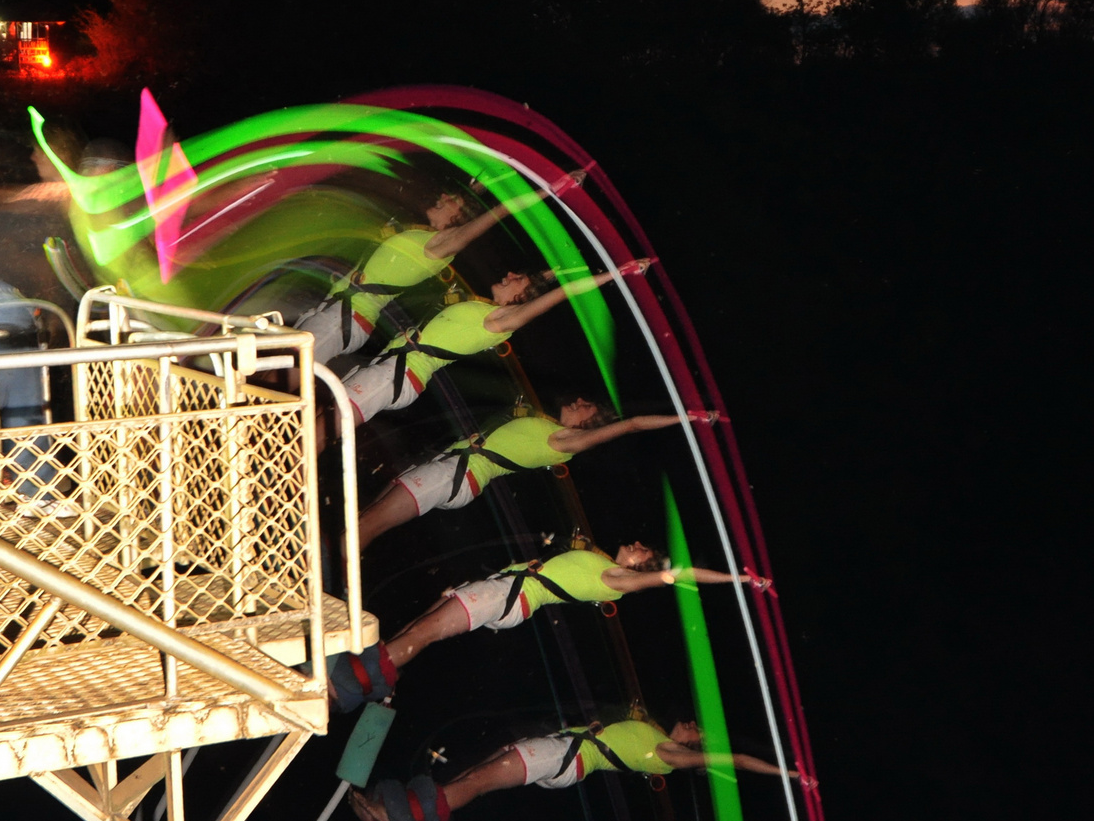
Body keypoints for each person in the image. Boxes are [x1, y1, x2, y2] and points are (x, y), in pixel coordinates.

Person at [328, 540, 770, 711]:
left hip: (509, 596)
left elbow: (681, 576)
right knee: (416, 630)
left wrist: (741, 578)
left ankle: (347, 686)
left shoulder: (619, 580)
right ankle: (352, 677)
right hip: (505, 590)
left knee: (420, 635)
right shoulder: (600, 564)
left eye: (642, 551)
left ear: (643, 568)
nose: (636, 544)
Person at [350, 718, 811, 821]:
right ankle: (395, 820)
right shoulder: (650, 735)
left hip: (562, 757)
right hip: (561, 752)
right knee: (476, 776)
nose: (690, 724)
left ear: (691, 746)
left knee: (478, 781)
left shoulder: (667, 754)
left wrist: (785, 772)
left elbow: (736, 759)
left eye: (695, 730)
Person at [298, 172, 585, 365]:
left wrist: (551, 189)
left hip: (346, 317)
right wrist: (487, 180)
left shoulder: (442, 245)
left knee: (283, 366)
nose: (443, 199)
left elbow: (498, 212)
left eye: (452, 202)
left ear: (458, 220)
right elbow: (467, 201)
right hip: (337, 309)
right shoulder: (425, 235)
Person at [333, 256, 653, 429]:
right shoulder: (489, 310)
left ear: (519, 300)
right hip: (390, 369)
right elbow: (547, 286)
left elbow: (557, 297)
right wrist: (558, 269)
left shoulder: (501, 321)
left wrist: (616, 274)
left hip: (397, 375)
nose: (510, 272)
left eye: (517, 280)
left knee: (329, 420)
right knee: (327, 413)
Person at [357, 400, 719, 549]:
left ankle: (324, 566)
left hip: (456, 475)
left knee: (370, 524)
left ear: (591, 424)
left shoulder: (567, 442)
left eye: (585, 407)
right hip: (453, 469)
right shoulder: (545, 425)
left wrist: (690, 417)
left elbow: (634, 424)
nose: (576, 402)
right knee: (367, 519)